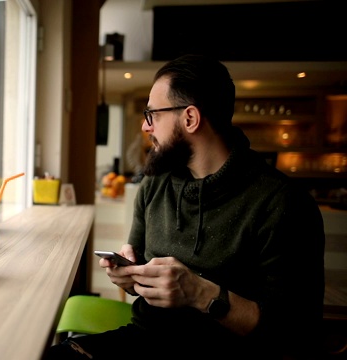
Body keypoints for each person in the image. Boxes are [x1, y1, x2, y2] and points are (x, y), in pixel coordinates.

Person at [43, 54, 325, 359]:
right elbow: (140, 275)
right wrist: (130, 275)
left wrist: (200, 293)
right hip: (145, 340)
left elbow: (294, 334)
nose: (145, 126)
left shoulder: (284, 204)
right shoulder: (155, 183)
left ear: (190, 118)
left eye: (152, 114)